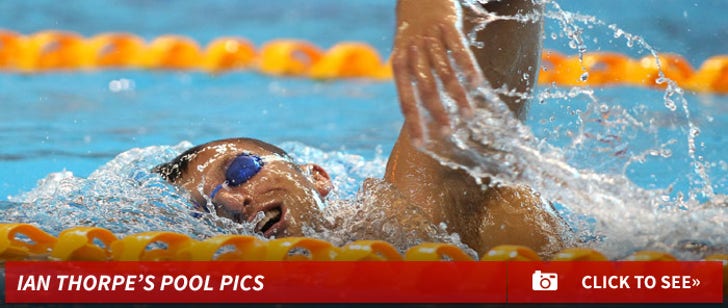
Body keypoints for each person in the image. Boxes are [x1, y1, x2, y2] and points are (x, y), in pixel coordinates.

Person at [153, 0, 567, 256]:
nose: (231, 202)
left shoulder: (408, 211)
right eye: (207, 208)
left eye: (240, 170)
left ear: (318, 178)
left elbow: (512, 6)